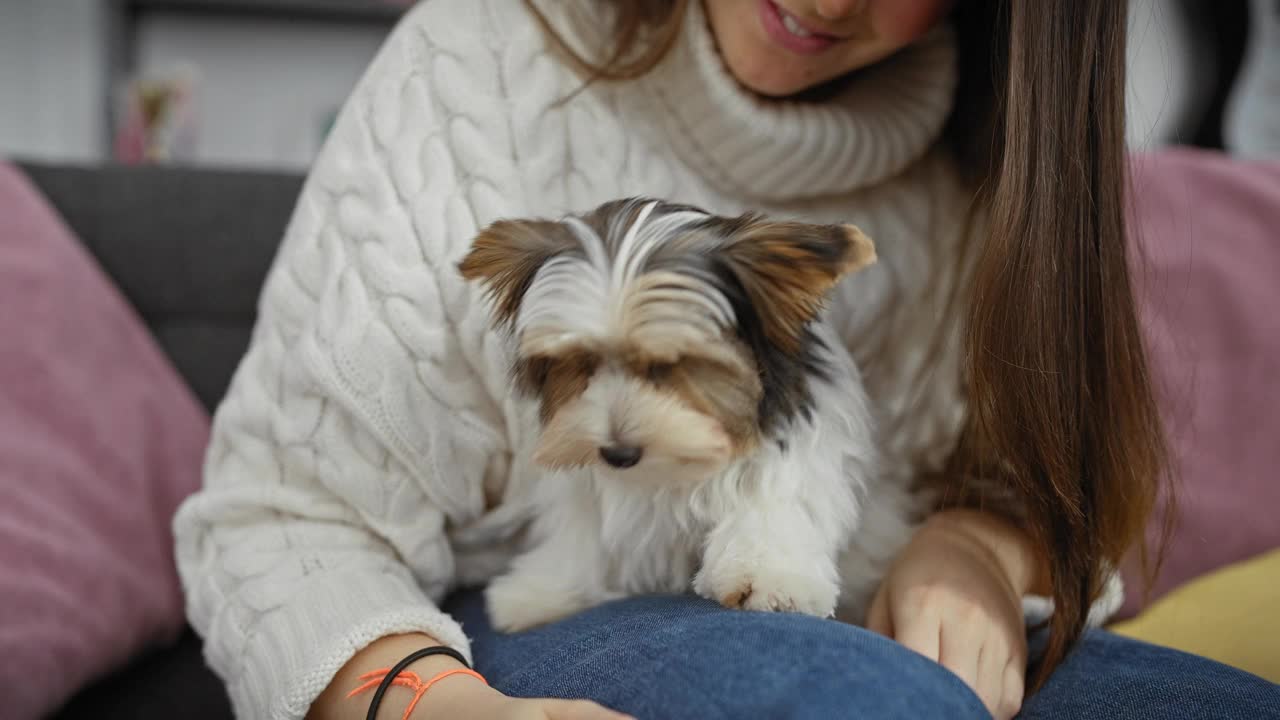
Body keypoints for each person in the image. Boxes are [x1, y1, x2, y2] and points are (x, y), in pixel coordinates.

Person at [173, 1, 1280, 719]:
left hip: (871, 595)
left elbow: (1048, 499)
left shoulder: (998, 162)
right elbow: (274, 518)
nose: (826, 0)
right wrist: (419, 702)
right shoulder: (472, 70)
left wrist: (981, 549)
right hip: (526, 621)